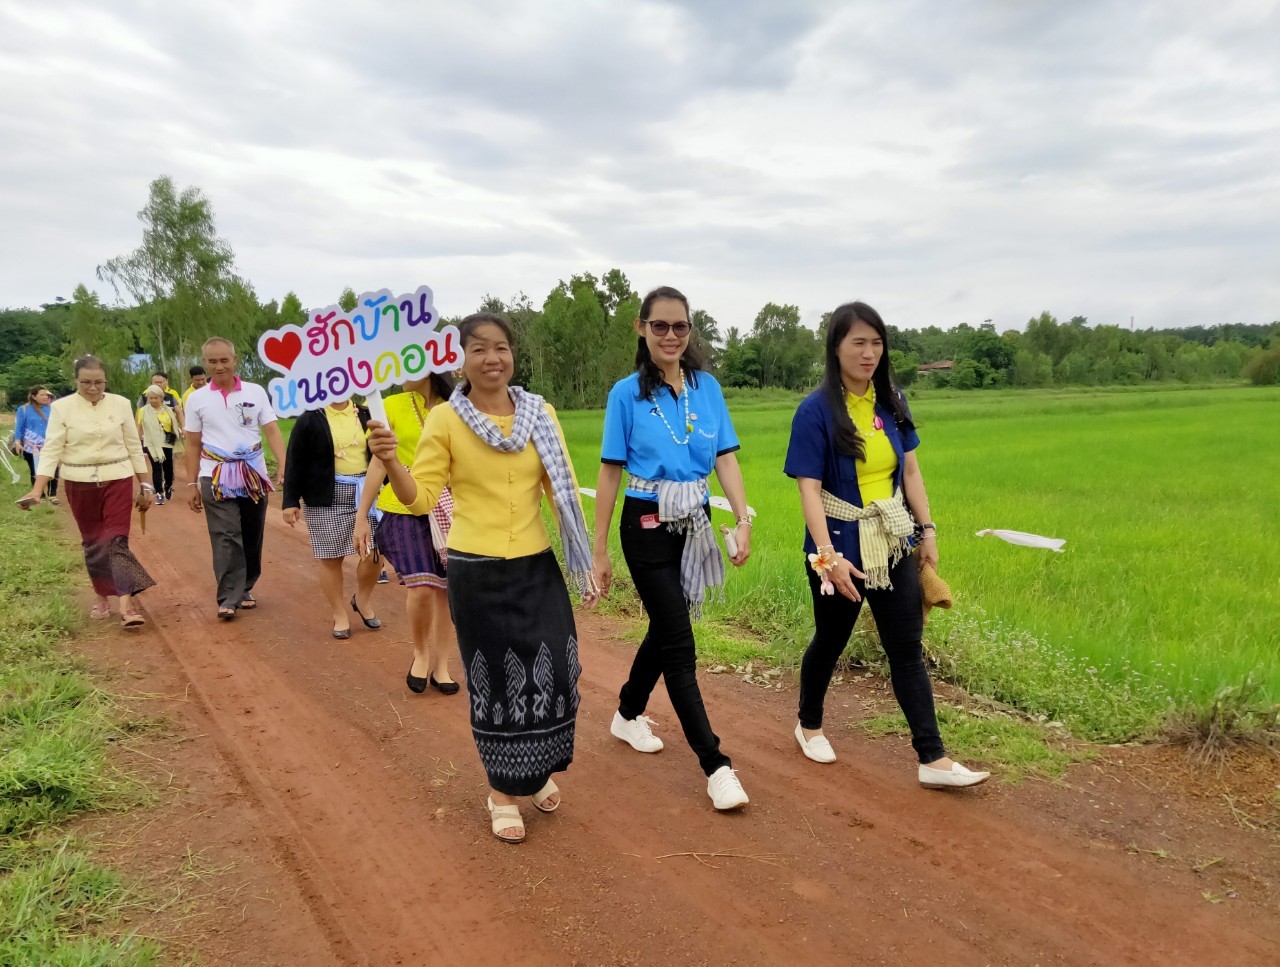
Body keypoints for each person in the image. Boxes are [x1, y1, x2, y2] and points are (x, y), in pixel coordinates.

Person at [368, 313, 598, 844]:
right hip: (477, 569)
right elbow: (421, 499)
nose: (492, 358)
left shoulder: (541, 413)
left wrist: (590, 555)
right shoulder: (446, 419)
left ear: (513, 354)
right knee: (496, 684)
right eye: (478, 349)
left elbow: (560, 487)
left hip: (537, 566)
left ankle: (534, 773)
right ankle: (502, 792)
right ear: (460, 360)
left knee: (556, 672)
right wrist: (392, 463)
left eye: (501, 347)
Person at [784, 301, 990, 789]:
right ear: (836, 348)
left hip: (893, 540)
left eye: (876, 343)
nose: (869, 353)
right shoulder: (815, 411)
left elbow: (911, 471)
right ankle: (808, 724)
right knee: (831, 640)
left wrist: (928, 531)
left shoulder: (891, 400)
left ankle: (932, 758)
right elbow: (809, 490)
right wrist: (828, 558)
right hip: (839, 543)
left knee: (906, 647)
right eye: (858, 342)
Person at [591, 286, 753, 811]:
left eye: (679, 326)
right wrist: (599, 549)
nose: (669, 335)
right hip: (645, 524)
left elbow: (725, 458)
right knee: (680, 643)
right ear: (642, 328)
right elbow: (610, 472)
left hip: (695, 525)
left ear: (689, 330)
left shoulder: (707, 389)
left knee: (667, 630)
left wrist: (742, 519)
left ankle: (627, 713)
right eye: (659, 326)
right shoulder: (625, 395)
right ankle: (716, 764)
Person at [19, 355, 155, 627]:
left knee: (116, 539)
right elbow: (52, 449)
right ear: (76, 381)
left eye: (98, 382)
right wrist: (37, 489)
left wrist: (146, 483)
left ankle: (126, 606)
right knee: (93, 541)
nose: (93, 388)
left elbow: (133, 445)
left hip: (117, 478)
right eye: (86, 383)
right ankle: (101, 596)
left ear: (106, 380)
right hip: (79, 482)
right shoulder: (61, 408)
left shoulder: (121, 403)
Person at [354, 373, 459, 691]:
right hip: (402, 506)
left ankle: (442, 665)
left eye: (407, 365)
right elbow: (379, 463)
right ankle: (421, 653)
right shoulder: (389, 405)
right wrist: (362, 516)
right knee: (422, 586)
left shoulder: (458, 407)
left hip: (450, 507)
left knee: (448, 591)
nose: (399, 374)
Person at [184, 337, 287, 621]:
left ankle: (245, 586)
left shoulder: (255, 392)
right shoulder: (197, 399)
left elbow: (272, 430)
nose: (219, 366)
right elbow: (192, 443)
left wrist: (283, 464)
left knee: (252, 533)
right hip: (215, 474)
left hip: (252, 474)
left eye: (224, 360)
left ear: (234, 360)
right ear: (205, 363)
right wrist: (192, 483)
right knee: (226, 534)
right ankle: (228, 596)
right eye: (212, 361)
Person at [282, 398, 383, 639]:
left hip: (367, 490)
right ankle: (339, 613)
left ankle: (362, 599)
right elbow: (295, 459)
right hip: (325, 494)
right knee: (330, 556)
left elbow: (382, 456)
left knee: (375, 552)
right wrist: (290, 501)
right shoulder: (310, 418)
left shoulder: (367, 414)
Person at [12, 385, 58, 504]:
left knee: (53, 468)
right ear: (33, 396)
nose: (45, 397)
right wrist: (17, 442)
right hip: (30, 447)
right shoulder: (24, 409)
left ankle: (52, 495)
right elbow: (19, 427)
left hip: (49, 445)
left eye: (46, 395)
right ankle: (40, 496)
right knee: (35, 470)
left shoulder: (51, 409)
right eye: (42, 395)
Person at [137, 384, 177, 503]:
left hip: (166, 442)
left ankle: (168, 485)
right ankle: (159, 493)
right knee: (156, 467)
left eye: (156, 398)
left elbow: (173, 426)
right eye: (151, 398)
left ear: (161, 398)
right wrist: (138, 441)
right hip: (151, 443)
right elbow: (139, 427)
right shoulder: (143, 411)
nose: (153, 400)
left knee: (168, 467)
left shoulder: (168, 410)